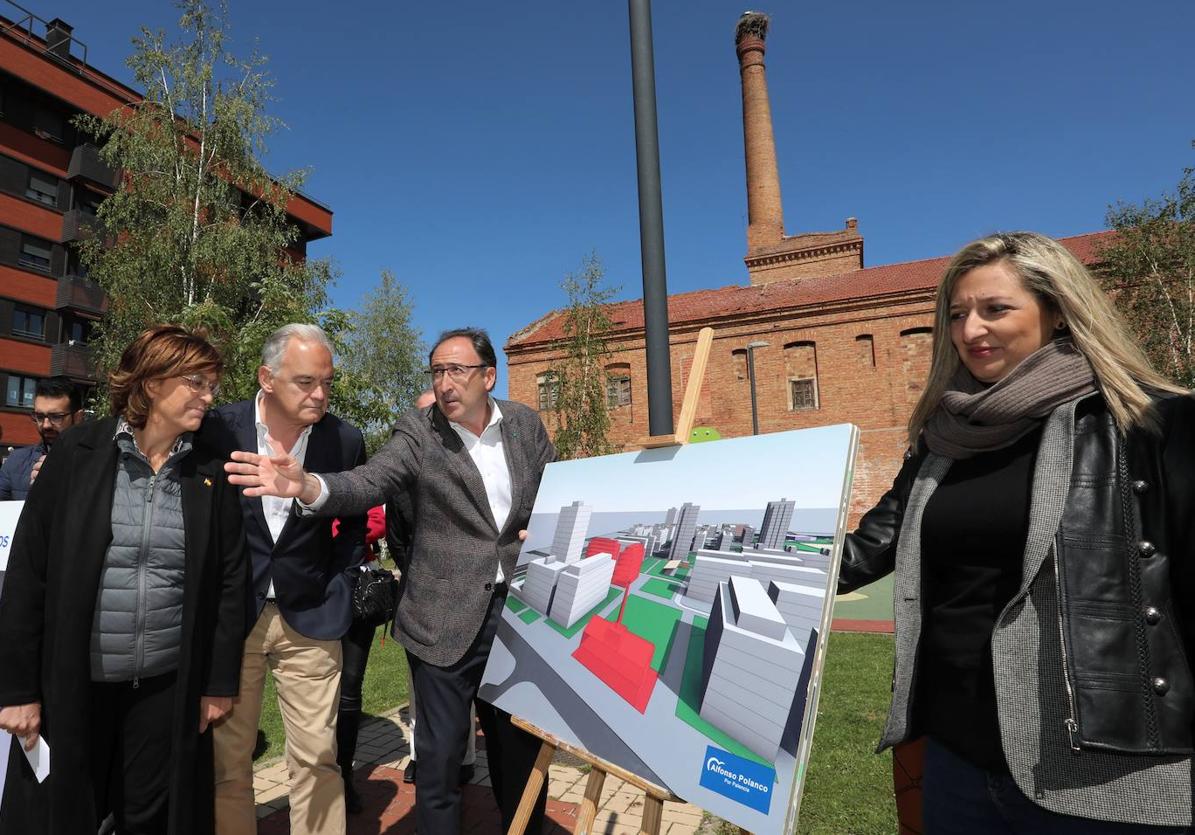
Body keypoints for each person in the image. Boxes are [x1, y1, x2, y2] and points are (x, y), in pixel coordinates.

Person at [840, 231, 1195, 834]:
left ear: (1057, 312)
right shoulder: (944, 440)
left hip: (1103, 772)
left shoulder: (1151, 423)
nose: (970, 330)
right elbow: (868, 549)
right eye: (956, 314)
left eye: (994, 309)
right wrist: (721, 556)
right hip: (959, 758)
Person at [226, 327, 554, 835]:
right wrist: (309, 486)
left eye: (457, 370)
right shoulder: (418, 431)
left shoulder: (525, 426)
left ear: (489, 376)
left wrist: (546, 526)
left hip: (515, 616)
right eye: (438, 371)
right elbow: (370, 482)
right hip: (440, 621)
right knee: (440, 764)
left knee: (520, 756)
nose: (445, 383)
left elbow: (550, 489)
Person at [0, 325, 248, 835]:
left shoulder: (210, 467)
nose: (209, 397)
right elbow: (28, 573)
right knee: (69, 813)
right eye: (196, 383)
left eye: (211, 385)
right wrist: (18, 689)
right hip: (77, 684)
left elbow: (229, 580)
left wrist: (218, 682)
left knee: (152, 817)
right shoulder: (77, 453)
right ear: (152, 383)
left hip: (166, 686)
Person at [203, 323, 366, 835]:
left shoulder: (344, 439)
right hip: (233, 620)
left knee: (319, 760)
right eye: (304, 382)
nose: (319, 394)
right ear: (266, 378)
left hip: (312, 619)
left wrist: (336, 584)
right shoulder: (216, 429)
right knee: (228, 764)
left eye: (327, 382)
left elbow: (356, 525)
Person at [387, 390, 480, 790]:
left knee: (469, 688)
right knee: (422, 689)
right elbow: (398, 539)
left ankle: (465, 757)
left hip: (477, 596)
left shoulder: (473, 468)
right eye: (427, 412)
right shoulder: (404, 472)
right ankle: (420, 756)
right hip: (424, 599)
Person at [336, 502, 386, 814]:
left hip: (357, 588)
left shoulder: (354, 464)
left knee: (350, 685)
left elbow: (379, 520)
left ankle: (344, 774)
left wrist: (333, 530)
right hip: (315, 587)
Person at [0, 376, 84, 500]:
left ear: (78, 417)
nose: (46, 425)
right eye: (39, 416)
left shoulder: (99, 462)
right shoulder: (16, 461)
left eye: (56, 417)